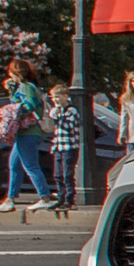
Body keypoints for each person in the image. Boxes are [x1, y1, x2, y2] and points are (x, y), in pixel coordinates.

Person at [0, 58, 50, 213]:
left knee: (30, 166)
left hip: (28, 132)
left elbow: (29, 104)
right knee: (14, 165)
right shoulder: (26, 86)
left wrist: (15, 113)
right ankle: (10, 199)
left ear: (14, 72)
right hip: (27, 133)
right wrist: (11, 92)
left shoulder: (25, 87)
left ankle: (45, 197)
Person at [43, 84, 79, 215]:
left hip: (69, 146)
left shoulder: (72, 111)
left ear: (65, 96)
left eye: (58, 97)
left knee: (67, 174)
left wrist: (58, 116)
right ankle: (60, 197)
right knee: (58, 175)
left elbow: (70, 126)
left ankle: (70, 200)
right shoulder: (55, 111)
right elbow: (51, 123)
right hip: (58, 146)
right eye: (53, 98)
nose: (55, 100)